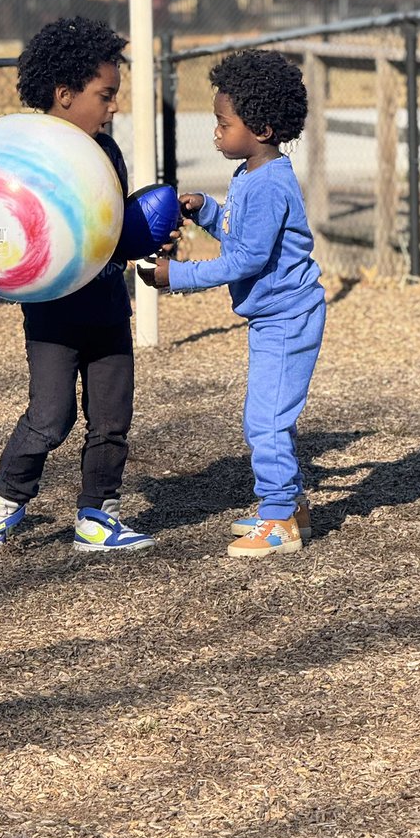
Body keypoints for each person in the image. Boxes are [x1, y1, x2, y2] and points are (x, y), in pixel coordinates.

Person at [0, 17, 155, 563]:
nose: (114, 106)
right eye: (106, 95)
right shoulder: (13, 150)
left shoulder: (105, 155)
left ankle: (97, 516)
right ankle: (1, 504)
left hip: (109, 309)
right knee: (50, 419)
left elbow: (111, 235)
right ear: (65, 94)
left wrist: (152, 231)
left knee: (112, 419)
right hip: (52, 317)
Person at [138, 49, 325, 559]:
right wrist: (207, 210)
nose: (215, 132)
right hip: (275, 316)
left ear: (260, 126)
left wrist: (178, 276)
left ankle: (279, 520)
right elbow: (238, 233)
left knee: (264, 420)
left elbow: (243, 260)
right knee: (267, 416)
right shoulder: (252, 173)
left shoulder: (268, 184)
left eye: (223, 122)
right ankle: (291, 506)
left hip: (288, 317)